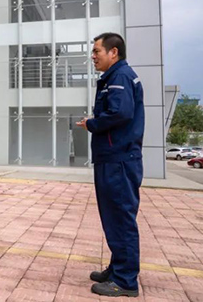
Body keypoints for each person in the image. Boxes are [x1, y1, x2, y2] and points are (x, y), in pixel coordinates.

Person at [76, 33, 144, 298]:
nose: (93, 56)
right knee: (114, 218)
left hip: (118, 159)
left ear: (113, 52)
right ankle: (118, 269)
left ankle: (125, 280)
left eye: (97, 51)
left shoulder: (120, 77)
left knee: (120, 218)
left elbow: (119, 113)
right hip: (114, 158)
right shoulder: (115, 77)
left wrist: (92, 124)